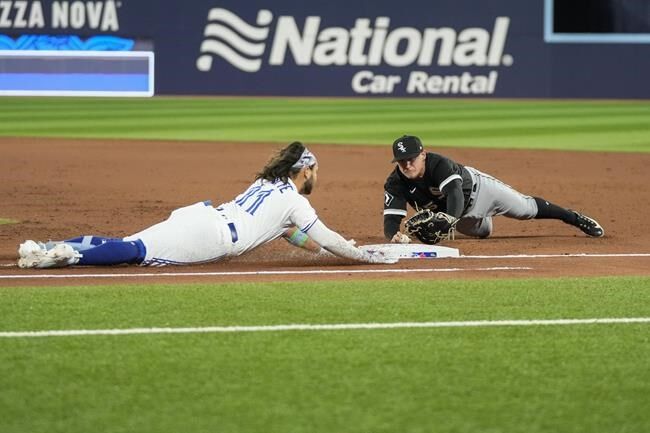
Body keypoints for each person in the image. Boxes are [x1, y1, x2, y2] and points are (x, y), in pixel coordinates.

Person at [18, 141, 395, 268]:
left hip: (199, 216)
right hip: (210, 237)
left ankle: (49, 247)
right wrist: (366, 257)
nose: (318, 176)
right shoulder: (294, 202)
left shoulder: (268, 184)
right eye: (316, 170)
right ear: (306, 171)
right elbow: (327, 238)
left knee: (128, 243)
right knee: (134, 253)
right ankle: (65, 256)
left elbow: (290, 234)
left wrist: (317, 254)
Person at [383, 135, 604, 243]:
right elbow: (391, 218)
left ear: (423, 154)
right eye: (402, 161)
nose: (407, 165)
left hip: (481, 192)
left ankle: (573, 217)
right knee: (484, 233)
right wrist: (393, 237)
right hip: (458, 216)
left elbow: (455, 194)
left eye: (411, 159)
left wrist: (448, 220)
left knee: (526, 209)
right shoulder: (395, 182)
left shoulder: (439, 164)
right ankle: (483, 222)